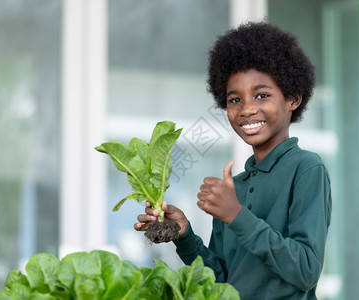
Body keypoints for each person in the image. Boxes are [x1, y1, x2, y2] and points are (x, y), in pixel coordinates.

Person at [134, 21, 332, 300]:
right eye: (234, 99)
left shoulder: (307, 169)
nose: (247, 109)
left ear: (293, 99)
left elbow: (306, 270)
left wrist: (236, 215)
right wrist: (183, 234)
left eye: (262, 95)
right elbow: (220, 282)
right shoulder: (234, 188)